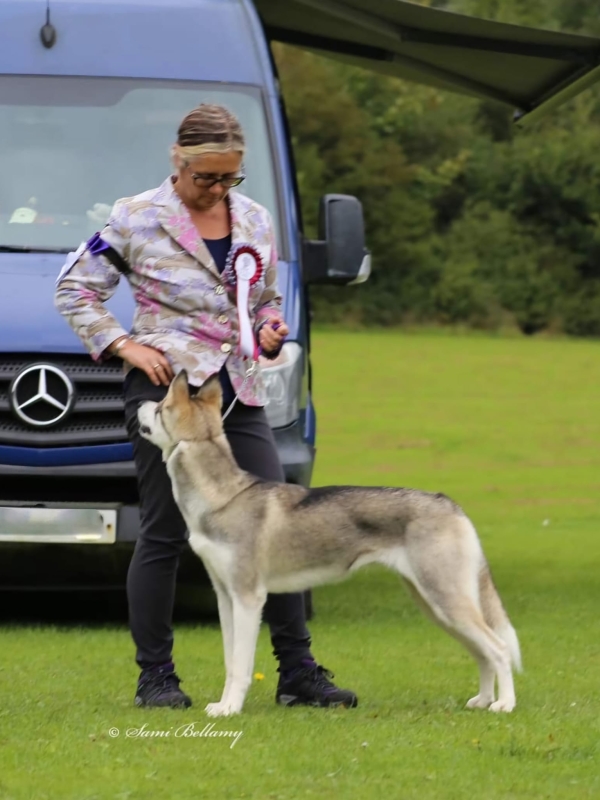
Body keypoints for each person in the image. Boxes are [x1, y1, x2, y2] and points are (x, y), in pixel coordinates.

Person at [54, 103, 358, 710]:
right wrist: (124, 345)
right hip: (169, 394)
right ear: (178, 160)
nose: (218, 189)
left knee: (282, 525)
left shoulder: (253, 218)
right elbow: (74, 287)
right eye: (207, 178)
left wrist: (270, 329)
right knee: (164, 531)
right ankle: (157, 677)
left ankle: (297, 673)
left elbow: (268, 300)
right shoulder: (135, 217)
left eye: (229, 177)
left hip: (238, 393)